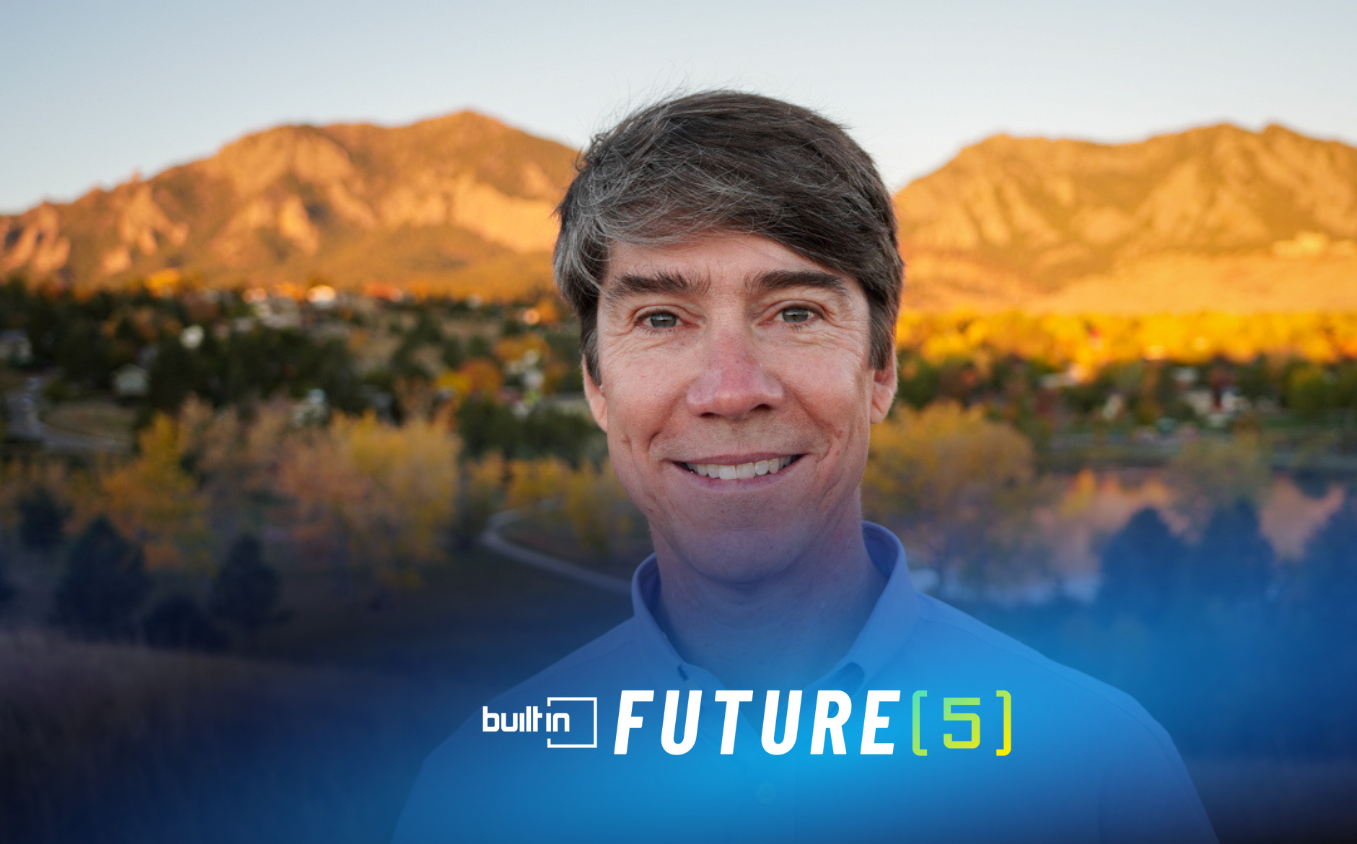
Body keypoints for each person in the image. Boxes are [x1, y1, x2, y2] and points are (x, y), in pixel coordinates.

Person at [394, 91, 1218, 844]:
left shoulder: (1104, 775)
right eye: (659, 317)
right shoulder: (473, 795)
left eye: (795, 311)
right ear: (597, 383)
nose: (729, 390)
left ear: (881, 368)